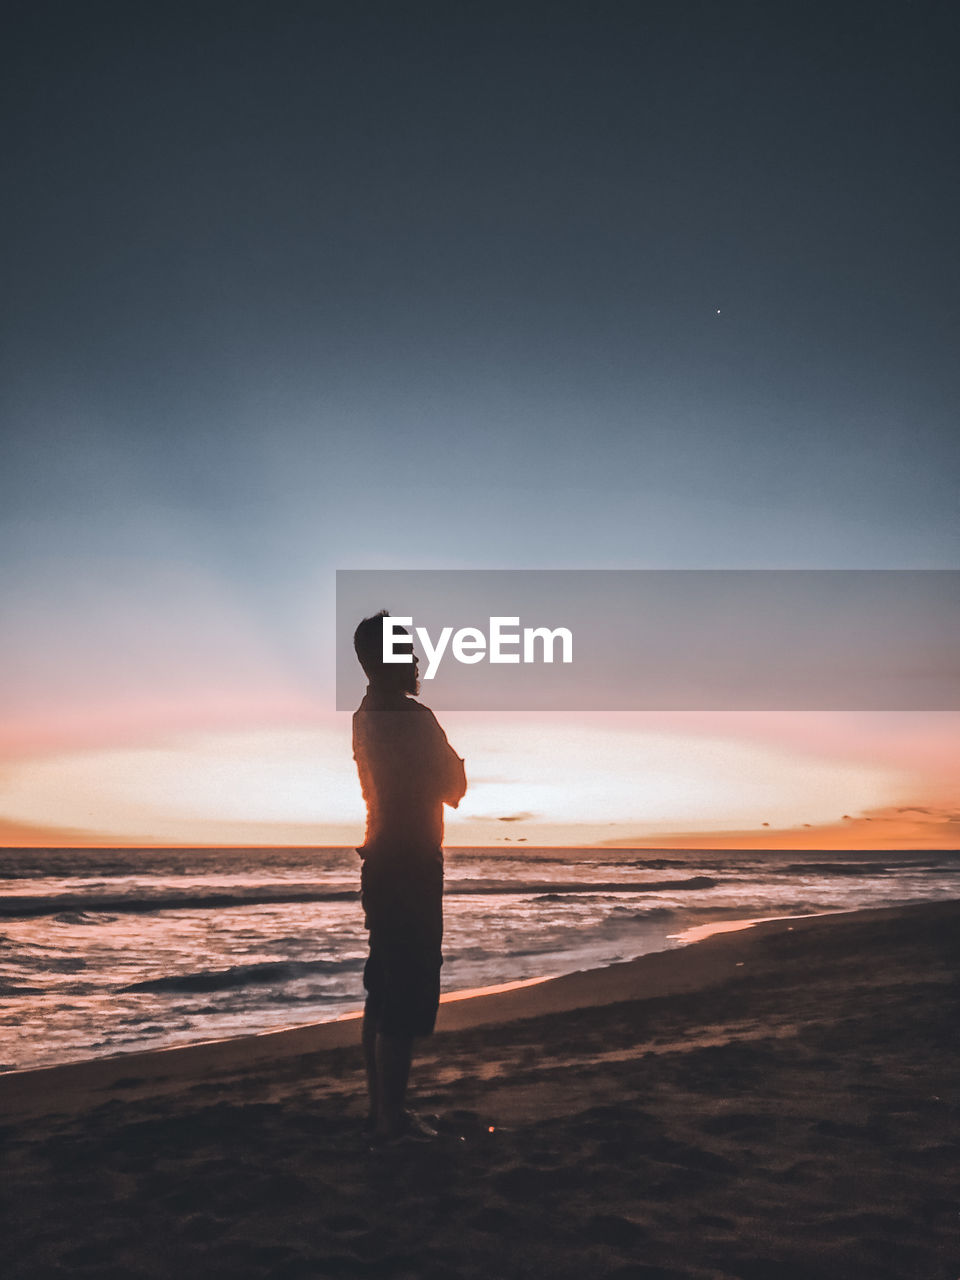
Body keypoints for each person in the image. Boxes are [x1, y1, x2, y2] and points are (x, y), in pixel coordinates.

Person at [352, 610, 467, 1142]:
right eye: (408, 650)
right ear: (389, 658)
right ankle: (393, 1119)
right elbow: (454, 784)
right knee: (407, 986)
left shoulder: (364, 714)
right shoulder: (412, 717)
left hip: (379, 858)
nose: (417, 659)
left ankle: (381, 1112)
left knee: (383, 986)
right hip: (412, 862)